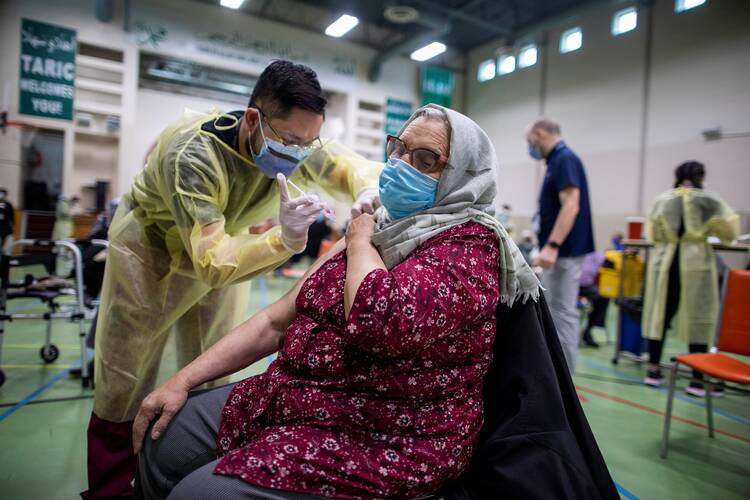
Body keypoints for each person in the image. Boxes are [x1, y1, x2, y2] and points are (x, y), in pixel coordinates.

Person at [132, 105, 617, 500]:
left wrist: (359, 240)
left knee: (199, 495)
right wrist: (182, 379)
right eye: (398, 150)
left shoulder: (469, 247)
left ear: (462, 176)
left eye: (425, 160)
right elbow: (276, 321)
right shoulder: (385, 224)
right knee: (160, 441)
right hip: (299, 394)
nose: (401, 166)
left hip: (386, 432)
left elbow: (379, 319)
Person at [84, 60, 383, 499]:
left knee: (210, 371)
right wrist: (285, 240)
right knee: (124, 383)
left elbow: (353, 167)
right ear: (252, 119)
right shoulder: (192, 155)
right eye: (290, 140)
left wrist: (370, 189)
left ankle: (182, 476)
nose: (301, 152)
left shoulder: (298, 139)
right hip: (152, 254)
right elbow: (213, 264)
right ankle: (110, 491)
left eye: (309, 142)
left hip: (233, 247)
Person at [641, 161, 739, 396]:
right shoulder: (709, 200)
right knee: (699, 317)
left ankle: (653, 370)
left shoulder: (663, 199)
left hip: (666, 263)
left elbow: (651, 233)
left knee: (660, 316)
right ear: (701, 176)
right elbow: (730, 232)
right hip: (696, 263)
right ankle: (698, 379)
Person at [526, 118, 595, 374]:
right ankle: (557, 373)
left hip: (565, 252)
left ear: (540, 133)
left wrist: (552, 245)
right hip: (561, 251)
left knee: (562, 313)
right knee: (556, 313)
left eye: (530, 141)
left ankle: (563, 378)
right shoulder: (556, 161)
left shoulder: (564, 159)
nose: (530, 147)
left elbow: (571, 205)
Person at [579, 250, 608, 348]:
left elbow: (606, 263)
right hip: (570, 285)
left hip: (587, 286)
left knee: (603, 299)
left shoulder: (596, 253)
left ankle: (588, 331)